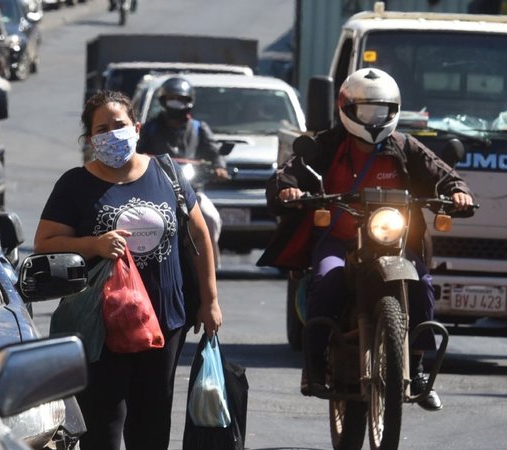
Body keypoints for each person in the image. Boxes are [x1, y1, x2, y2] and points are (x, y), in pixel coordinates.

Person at [263, 68, 474, 411]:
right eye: (367, 111)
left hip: (396, 243)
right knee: (327, 280)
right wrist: (288, 188)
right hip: (338, 239)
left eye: (382, 111)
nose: (374, 119)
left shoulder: (405, 146)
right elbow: (287, 172)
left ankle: (417, 366)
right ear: (348, 109)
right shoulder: (326, 145)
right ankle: (314, 364)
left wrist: (459, 192)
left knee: (421, 283)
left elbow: (443, 173)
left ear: (394, 111)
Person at [34, 90, 223, 450]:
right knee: (102, 429)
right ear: (90, 139)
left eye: (119, 125)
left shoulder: (167, 172)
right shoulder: (75, 184)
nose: (112, 133)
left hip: (164, 322)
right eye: (102, 128)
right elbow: (45, 242)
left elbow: (199, 233)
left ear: (136, 128)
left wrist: (210, 300)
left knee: (151, 427)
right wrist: (93, 244)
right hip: (101, 327)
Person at [137, 76, 228, 268]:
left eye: (182, 99)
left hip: (192, 192)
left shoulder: (199, 128)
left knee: (211, 219)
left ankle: (210, 267)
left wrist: (219, 167)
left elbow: (215, 152)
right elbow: (136, 152)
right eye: (172, 98)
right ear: (163, 100)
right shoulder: (150, 128)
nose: (177, 103)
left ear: (190, 102)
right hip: (154, 191)